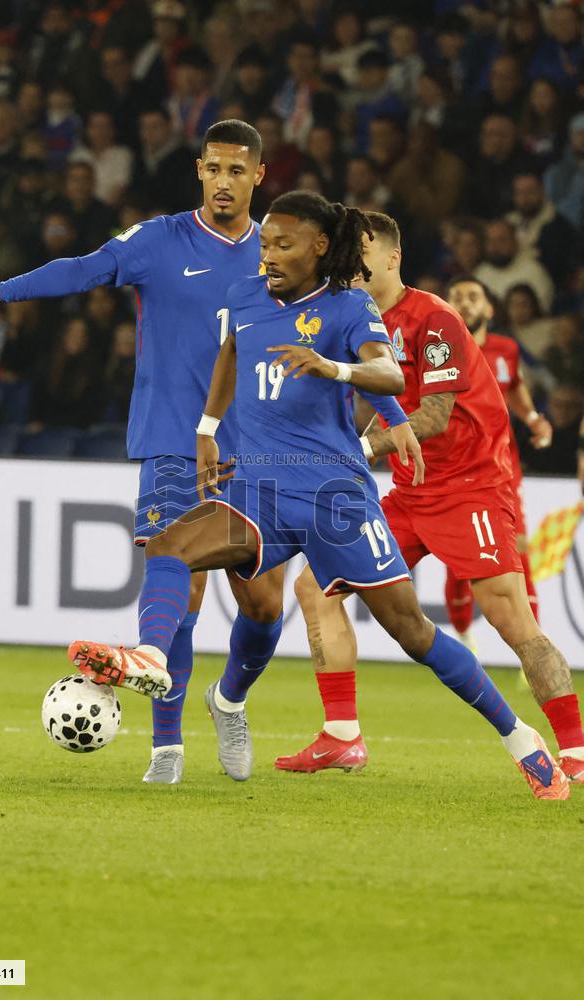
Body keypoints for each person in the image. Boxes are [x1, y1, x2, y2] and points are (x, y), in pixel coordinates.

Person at [69, 192, 568, 802]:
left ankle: (523, 741)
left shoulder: (349, 305)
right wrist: (205, 429)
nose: (268, 254)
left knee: (412, 632)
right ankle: (149, 657)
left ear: (320, 248)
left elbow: (388, 374)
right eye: (265, 243)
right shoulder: (247, 296)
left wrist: (333, 369)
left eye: (283, 245)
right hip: (259, 489)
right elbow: (231, 354)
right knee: (170, 546)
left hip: (336, 499)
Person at [0, 120, 286, 788]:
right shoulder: (160, 240)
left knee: (265, 606)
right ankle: (166, 749)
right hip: (173, 443)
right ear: (199, 170)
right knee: (178, 590)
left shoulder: (278, 250)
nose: (223, 182)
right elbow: (83, 268)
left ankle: (230, 700)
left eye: (237, 171)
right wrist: (0, 290)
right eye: (214, 169)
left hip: (256, 452)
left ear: (259, 177)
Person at [281, 211, 584, 787]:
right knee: (313, 587)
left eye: (362, 250)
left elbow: (437, 415)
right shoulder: (355, 322)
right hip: (410, 491)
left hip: (472, 487)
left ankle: (575, 749)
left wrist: (363, 447)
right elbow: (367, 401)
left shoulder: (434, 319)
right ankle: (342, 736)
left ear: (393, 258)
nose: (351, 261)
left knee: (512, 621)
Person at [443, 275, 552, 646]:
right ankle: (462, 632)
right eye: (456, 296)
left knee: (518, 548)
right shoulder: (436, 348)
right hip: (452, 468)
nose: (464, 302)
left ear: (489, 308)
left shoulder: (506, 350)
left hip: (501, 467)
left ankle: (533, 641)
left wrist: (534, 418)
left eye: (473, 296)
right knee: (460, 561)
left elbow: (516, 389)